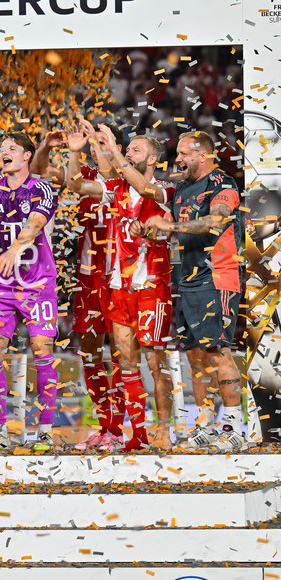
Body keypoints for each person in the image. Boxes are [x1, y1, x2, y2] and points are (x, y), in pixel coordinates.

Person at [66, 120, 175, 451]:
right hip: (118, 287)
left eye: (135, 150)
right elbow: (75, 185)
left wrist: (112, 147)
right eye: (127, 150)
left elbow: (146, 192)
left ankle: (164, 430)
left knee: (155, 362)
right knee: (126, 363)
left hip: (151, 287)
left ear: (153, 158)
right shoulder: (115, 187)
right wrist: (75, 152)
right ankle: (137, 435)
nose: (128, 154)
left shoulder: (166, 190)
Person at [144, 130, 246, 453]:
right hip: (187, 280)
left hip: (217, 277)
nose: (177, 160)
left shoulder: (223, 184)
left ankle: (234, 428)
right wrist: (152, 230)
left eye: (184, 154)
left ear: (203, 155)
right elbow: (170, 224)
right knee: (195, 355)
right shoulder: (182, 188)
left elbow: (215, 222)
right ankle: (206, 424)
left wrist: (170, 227)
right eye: (177, 154)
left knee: (218, 352)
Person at [32, 124, 127, 451]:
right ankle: (104, 425)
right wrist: (59, 148)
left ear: (116, 147)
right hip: (87, 278)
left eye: (100, 143)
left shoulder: (128, 181)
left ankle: (118, 429)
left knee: (121, 354)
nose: (93, 149)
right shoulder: (84, 173)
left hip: (119, 278)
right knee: (90, 353)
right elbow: (41, 171)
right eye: (92, 144)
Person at [0, 131, 60, 452]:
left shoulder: (41, 188)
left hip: (38, 283)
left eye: (12, 148)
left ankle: (45, 431)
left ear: (26, 156)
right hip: (2, 284)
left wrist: (13, 250)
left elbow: (35, 224)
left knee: (42, 351)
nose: (4, 152)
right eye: (3, 149)